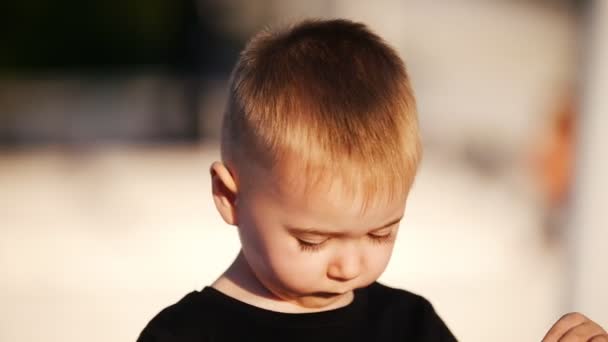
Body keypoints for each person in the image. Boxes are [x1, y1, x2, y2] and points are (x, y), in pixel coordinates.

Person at [137, 19, 607, 342]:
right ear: (229, 197)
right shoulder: (186, 335)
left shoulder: (407, 326)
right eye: (312, 240)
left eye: (381, 233)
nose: (348, 266)